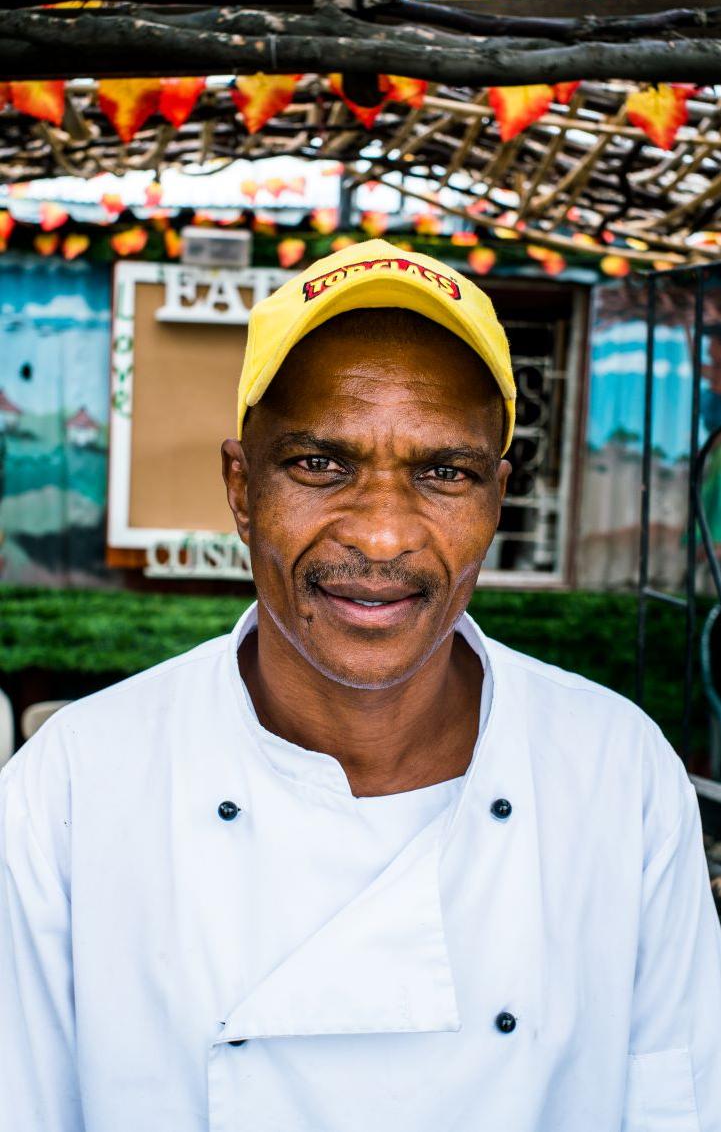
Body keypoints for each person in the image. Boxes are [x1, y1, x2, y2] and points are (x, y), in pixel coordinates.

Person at [1, 238, 720, 1132]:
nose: (382, 536)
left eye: (443, 473)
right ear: (240, 485)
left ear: (496, 498)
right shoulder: (75, 785)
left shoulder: (616, 773)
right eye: (320, 464)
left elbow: (678, 1108)